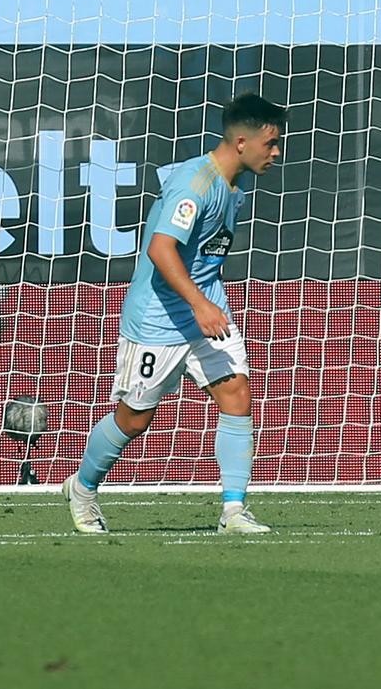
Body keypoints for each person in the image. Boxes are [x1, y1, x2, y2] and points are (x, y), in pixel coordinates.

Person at [64, 93, 286, 535]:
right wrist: (200, 303)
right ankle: (83, 488)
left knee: (236, 394)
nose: (276, 152)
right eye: (271, 143)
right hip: (159, 319)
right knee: (135, 418)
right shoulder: (195, 185)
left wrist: (208, 302)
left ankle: (233, 512)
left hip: (204, 312)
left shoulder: (233, 189)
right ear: (242, 141)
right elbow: (160, 249)